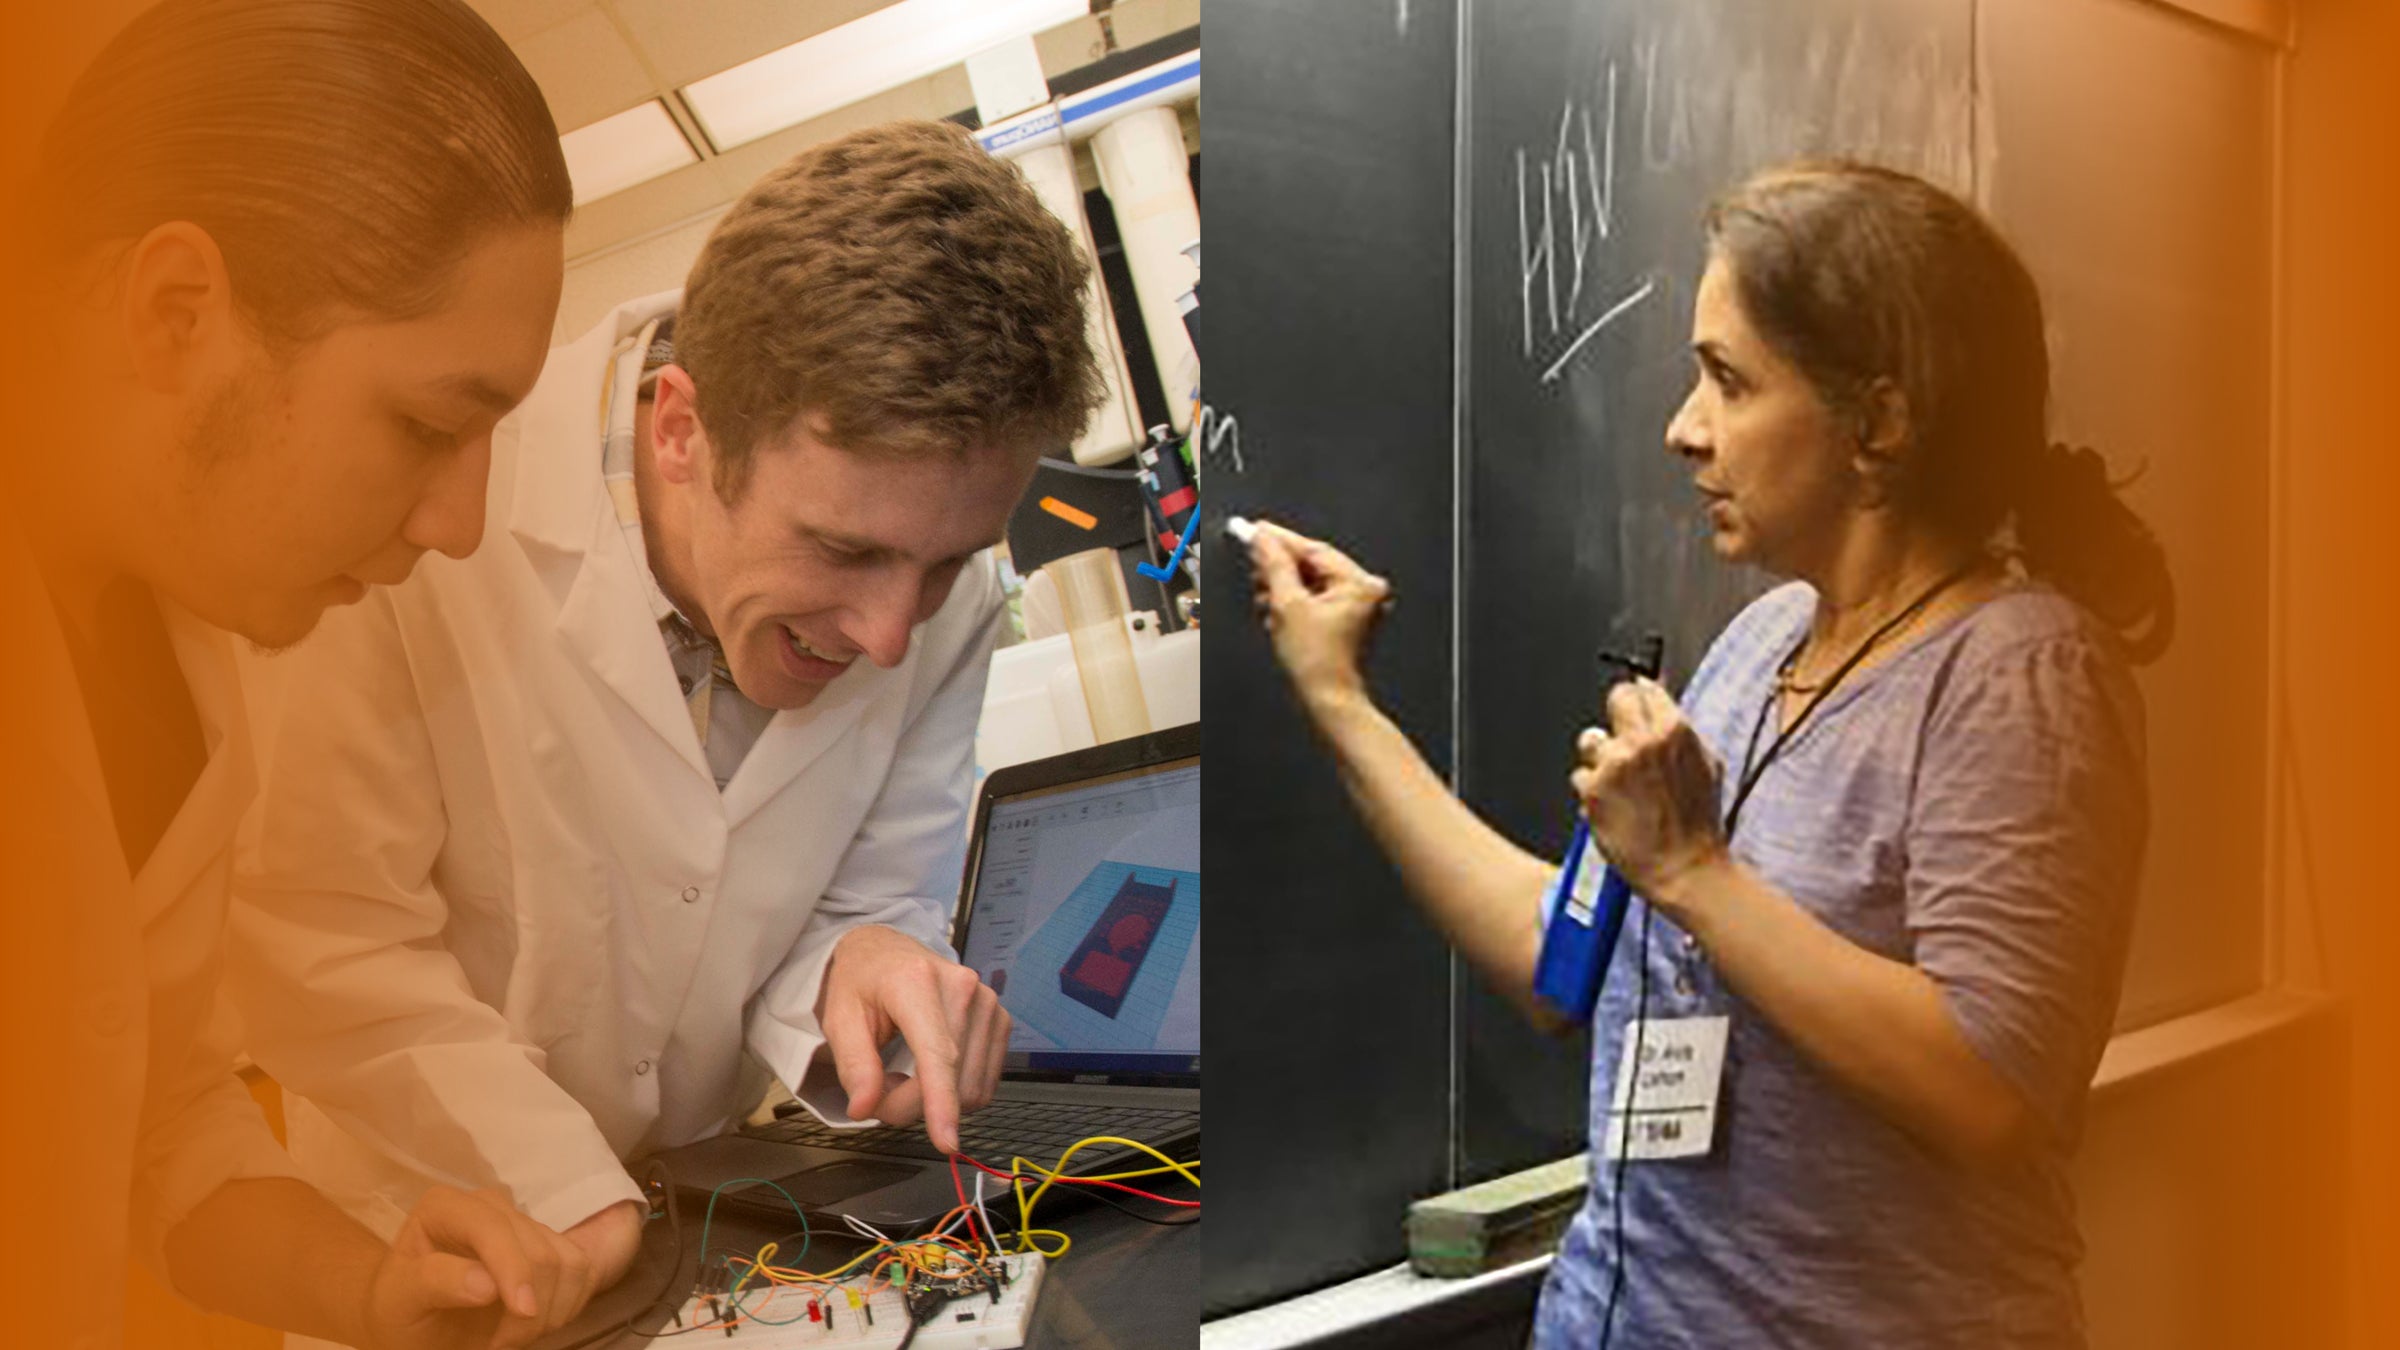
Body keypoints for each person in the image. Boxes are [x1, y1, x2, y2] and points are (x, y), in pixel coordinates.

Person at [1246, 161, 2173, 1348]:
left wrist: (1693, 871)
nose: (1683, 429)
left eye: (1729, 381)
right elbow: (1561, 962)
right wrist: (1338, 699)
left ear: (1877, 423)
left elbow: (1994, 1092)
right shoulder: (1759, 643)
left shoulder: (2019, 675)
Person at [224, 118, 1105, 1329]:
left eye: (948, 564)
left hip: (714, 1229)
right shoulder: (421, 511)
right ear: (682, 429)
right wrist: (566, 1185)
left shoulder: (924, 601)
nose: (894, 633)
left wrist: (869, 964)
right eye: (843, 550)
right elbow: (327, 934)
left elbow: (862, 893)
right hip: (437, 1246)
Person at [0, 1, 623, 1347]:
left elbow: (160, 1123)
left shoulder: (176, 647)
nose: (458, 524)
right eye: (423, 424)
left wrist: (366, 1285)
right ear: (179, 313)